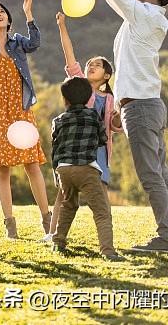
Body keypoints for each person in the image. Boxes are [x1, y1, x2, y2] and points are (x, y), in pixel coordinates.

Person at [71, 0, 168, 253]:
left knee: (152, 176)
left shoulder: (146, 16)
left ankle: (167, 238)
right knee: (160, 174)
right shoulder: (143, 16)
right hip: (143, 105)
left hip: (142, 107)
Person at [0, 0, 51, 239]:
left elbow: (35, 43)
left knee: (32, 163)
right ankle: (10, 224)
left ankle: (47, 219)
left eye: (2, 12)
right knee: (3, 168)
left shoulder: (18, 42)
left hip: (20, 109)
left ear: (9, 19)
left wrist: (29, 14)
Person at [43, 12, 122, 242]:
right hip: (76, 148)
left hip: (98, 150)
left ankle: (107, 236)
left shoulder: (110, 99)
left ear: (107, 75)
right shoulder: (78, 84)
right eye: (90, 64)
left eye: (97, 65)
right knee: (64, 194)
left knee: (101, 194)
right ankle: (52, 233)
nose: (91, 66)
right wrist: (62, 26)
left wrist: (117, 117)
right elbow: (70, 55)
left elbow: (114, 127)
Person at [50, 77, 125, 262]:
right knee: (101, 211)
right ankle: (107, 251)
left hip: (64, 170)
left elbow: (55, 147)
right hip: (87, 169)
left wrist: (56, 174)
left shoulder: (58, 120)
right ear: (88, 97)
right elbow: (102, 139)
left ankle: (58, 242)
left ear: (65, 100)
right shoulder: (93, 116)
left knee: (68, 205)